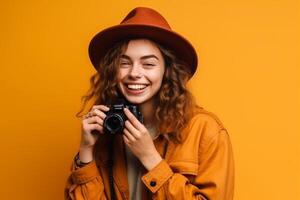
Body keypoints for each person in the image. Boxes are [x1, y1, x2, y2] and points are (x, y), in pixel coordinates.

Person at [64, 7, 234, 200]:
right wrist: (86, 151)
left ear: (167, 71)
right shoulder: (108, 128)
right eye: (124, 62)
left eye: (148, 64)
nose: (134, 73)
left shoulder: (205, 130)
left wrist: (150, 158)